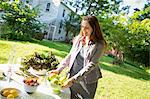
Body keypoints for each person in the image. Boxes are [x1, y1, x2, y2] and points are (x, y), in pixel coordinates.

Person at [49, 16, 107, 99]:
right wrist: (59, 70)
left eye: (87, 28)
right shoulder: (79, 39)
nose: (83, 30)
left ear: (94, 28)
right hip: (73, 75)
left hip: (88, 80)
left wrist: (73, 79)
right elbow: (70, 55)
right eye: (82, 27)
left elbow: (92, 64)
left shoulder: (99, 44)